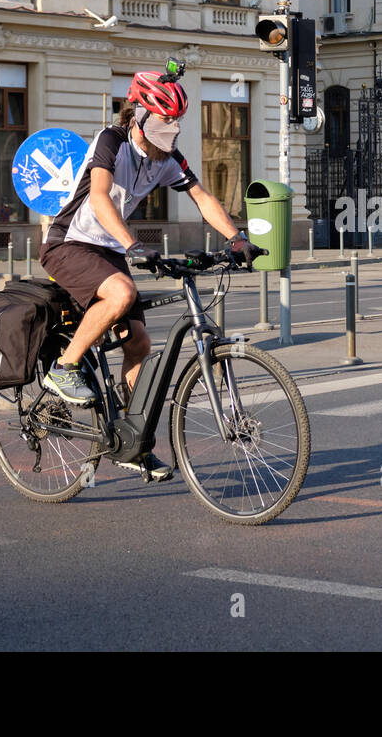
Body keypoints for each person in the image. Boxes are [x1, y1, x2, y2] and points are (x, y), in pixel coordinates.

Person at [39, 71, 261, 481]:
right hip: (69, 244)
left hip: (110, 248)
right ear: (138, 117)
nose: (169, 135)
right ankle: (63, 368)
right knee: (121, 293)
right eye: (161, 124)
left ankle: (133, 439)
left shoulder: (166, 159)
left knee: (139, 342)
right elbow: (101, 196)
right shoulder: (112, 140)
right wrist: (134, 245)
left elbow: (201, 197)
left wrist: (236, 237)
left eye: (173, 126)